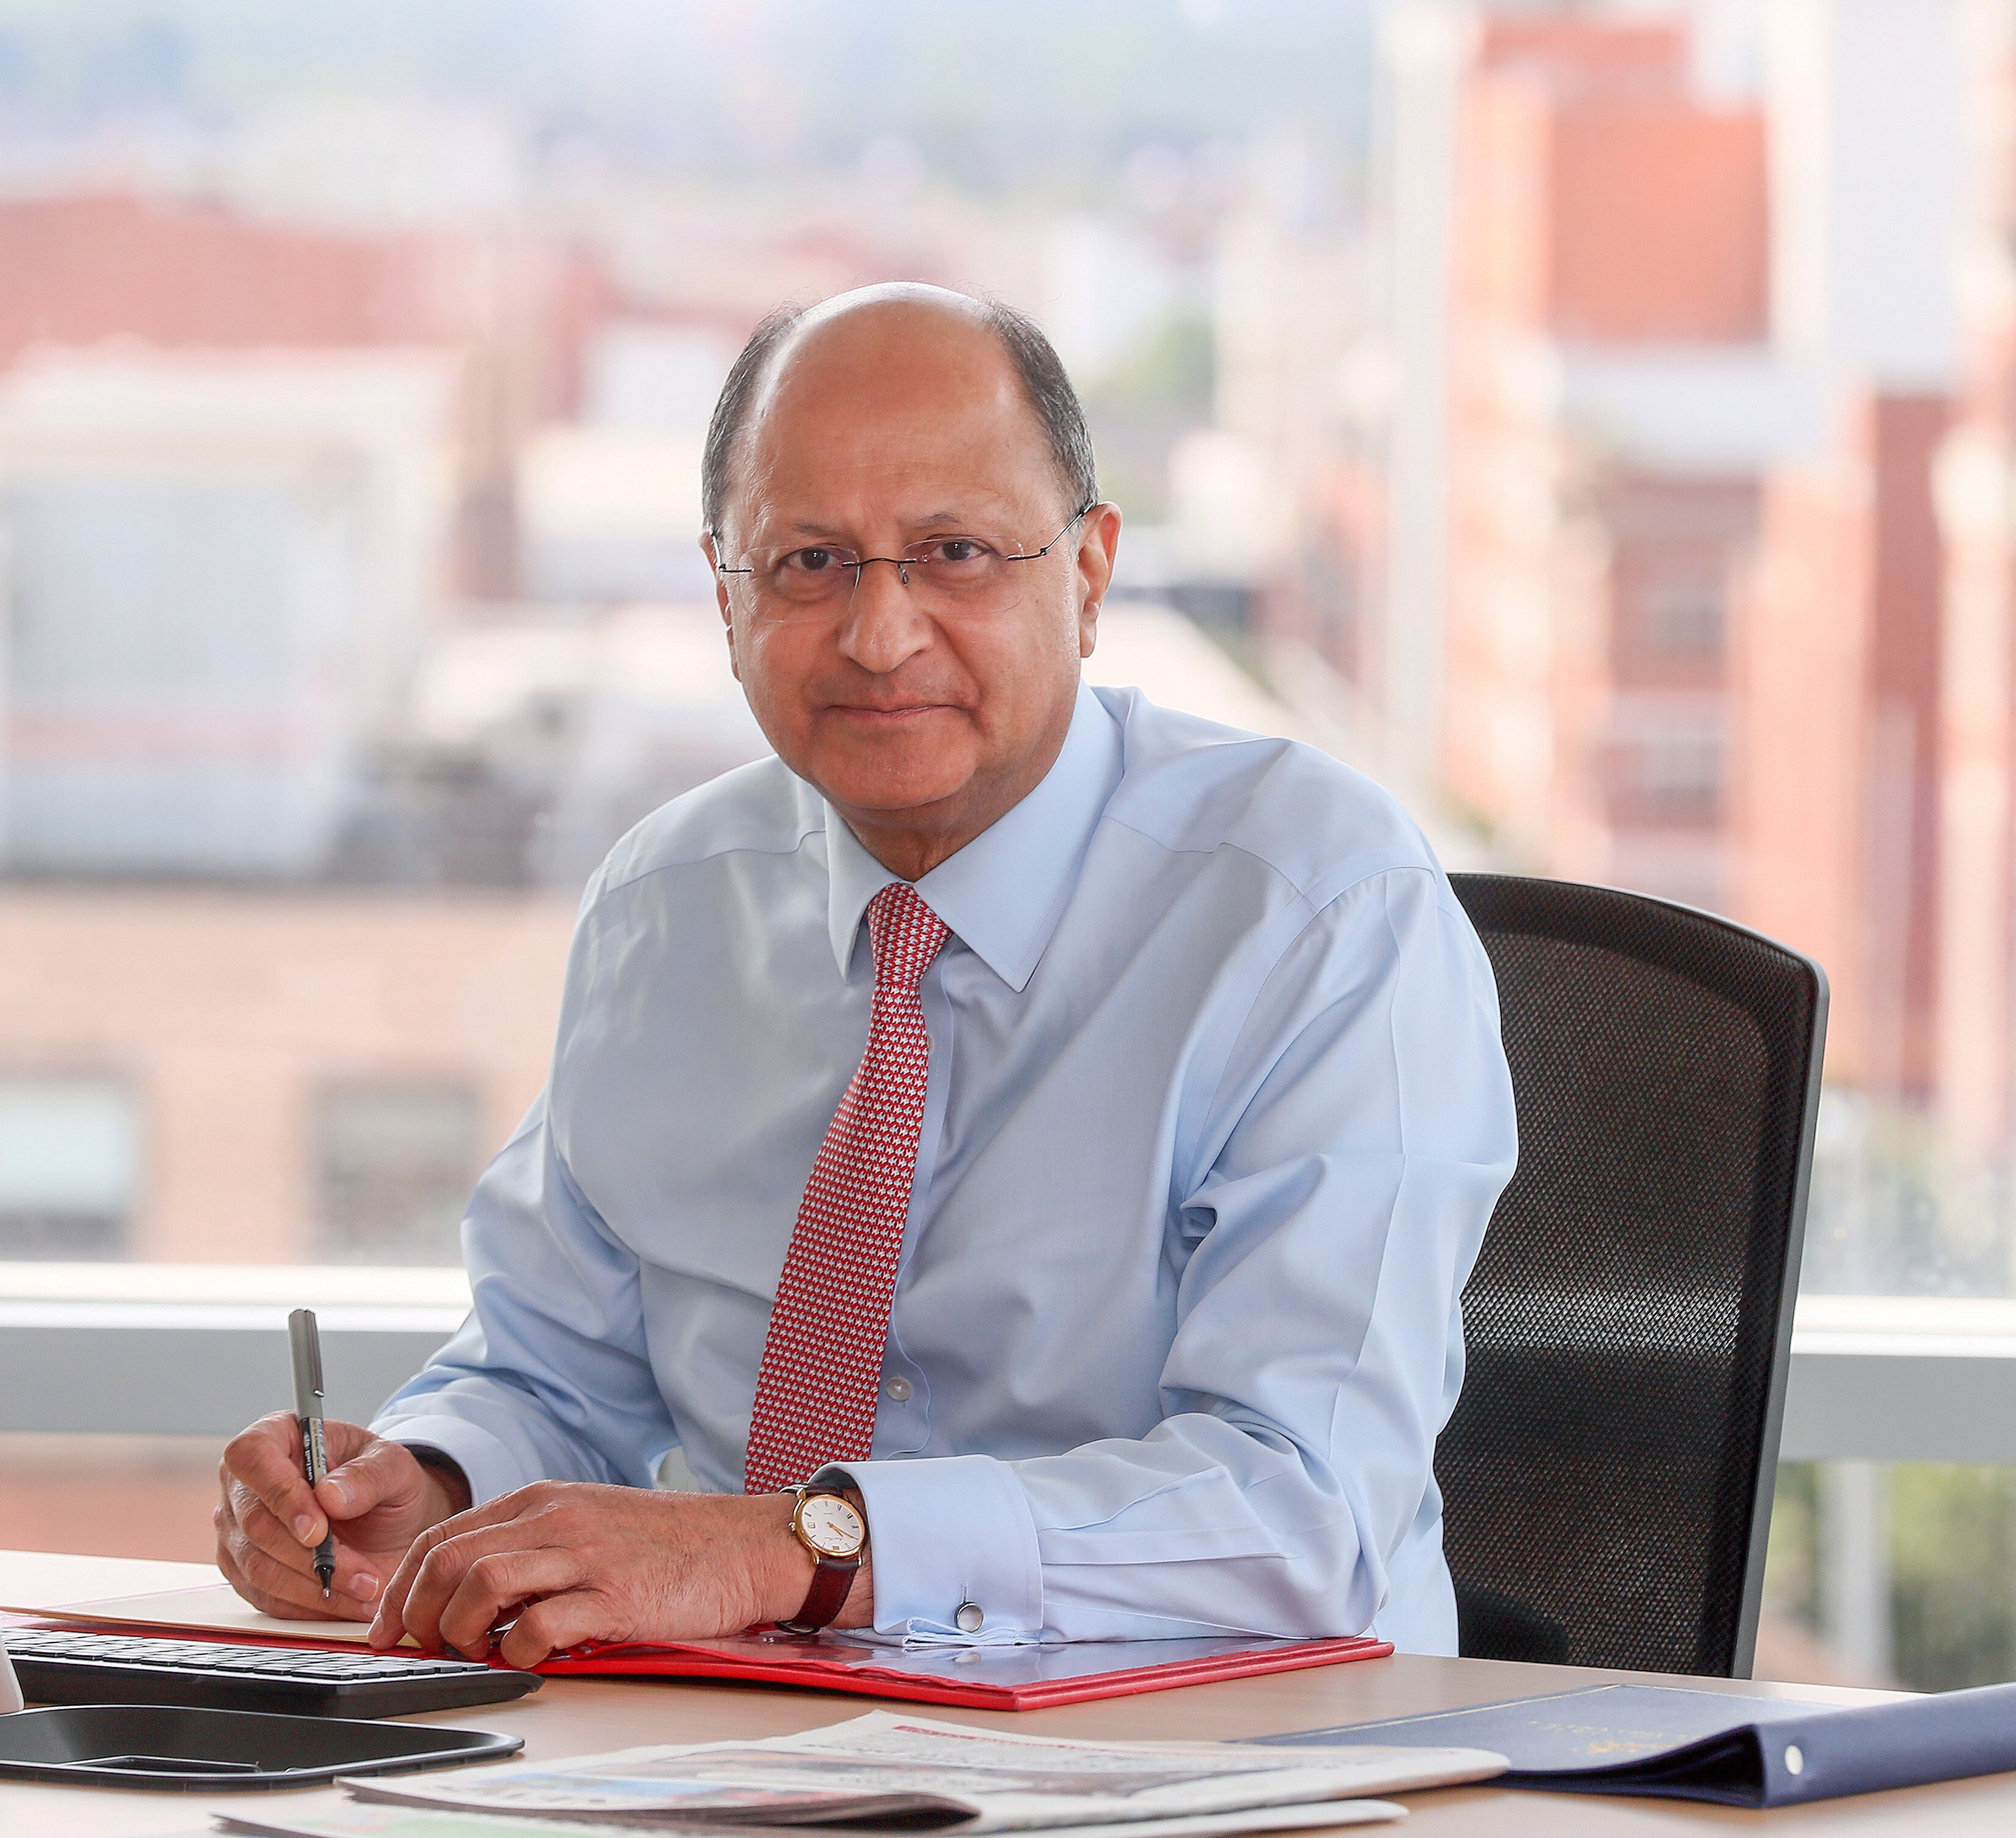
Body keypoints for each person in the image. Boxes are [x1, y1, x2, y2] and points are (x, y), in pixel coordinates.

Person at [215, 283, 1517, 1669]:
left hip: (1199, 1767)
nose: (879, 635)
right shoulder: (668, 908)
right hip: (729, 1761)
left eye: (953, 552)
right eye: (809, 563)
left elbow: (1304, 1518)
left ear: (1086, 575)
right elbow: (551, 1370)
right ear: (724, 595)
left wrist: (797, 1544)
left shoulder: (1313, 902)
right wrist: (428, 1488)